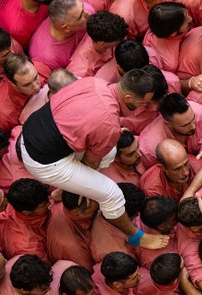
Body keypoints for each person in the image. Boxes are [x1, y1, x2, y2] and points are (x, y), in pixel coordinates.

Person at [19, 70, 170, 249]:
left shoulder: (94, 82)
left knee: (109, 152)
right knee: (112, 195)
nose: (144, 107)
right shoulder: (109, 124)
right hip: (43, 161)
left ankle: (66, 187)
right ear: (128, 97)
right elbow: (90, 163)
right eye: (143, 103)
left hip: (31, 134)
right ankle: (135, 236)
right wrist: (87, 187)